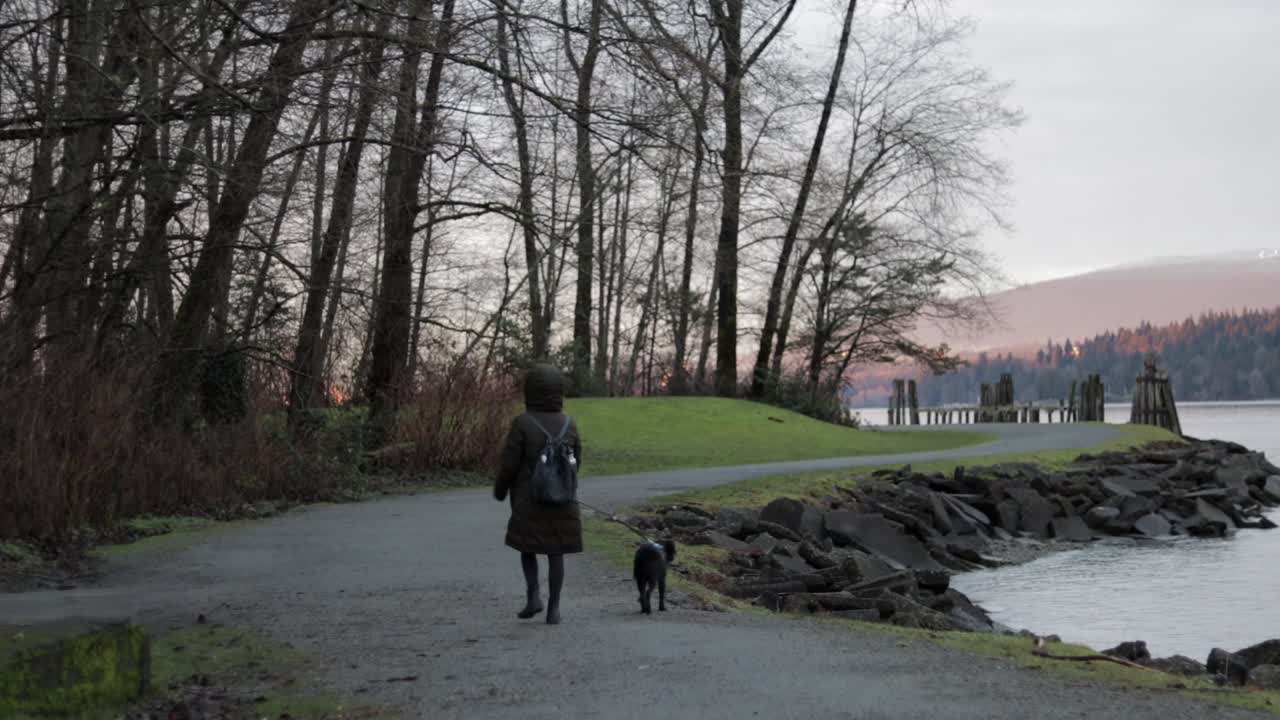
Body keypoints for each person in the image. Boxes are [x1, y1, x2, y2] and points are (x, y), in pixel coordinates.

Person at [493, 364, 583, 625]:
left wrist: (500, 490)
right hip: (563, 499)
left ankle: (533, 596)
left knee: (527, 547)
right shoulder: (569, 424)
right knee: (556, 553)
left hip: (529, 499)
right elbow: (577, 461)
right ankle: (554, 609)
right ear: (558, 392)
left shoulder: (522, 423)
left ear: (530, 391)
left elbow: (509, 463)